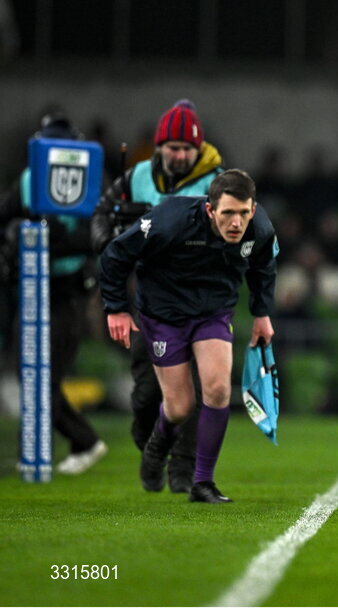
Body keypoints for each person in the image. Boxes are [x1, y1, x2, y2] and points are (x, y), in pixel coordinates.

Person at [98, 169, 277, 503]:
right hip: (163, 316)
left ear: (252, 209)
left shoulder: (261, 229)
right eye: (227, 213)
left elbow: (264, 267)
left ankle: (203, 482)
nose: (236, 222)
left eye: (243, 213)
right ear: (210, 210)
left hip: (213, 312)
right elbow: (115, 254)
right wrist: (116, 308)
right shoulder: (170, 219)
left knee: (219, 388)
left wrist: (261, 313)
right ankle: (155, 451)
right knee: (180, 407)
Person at [91, 99, 224, 492]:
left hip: (201, 299)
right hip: (151, 301)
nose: (180, 155)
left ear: (198, 149)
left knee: (196, 391)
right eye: (173, 148)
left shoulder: (215, 183)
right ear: (160, 147)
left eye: (187, 149)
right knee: (147, 395)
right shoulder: (136, 177)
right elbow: (102, 213)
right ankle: (151, 442)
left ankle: (183, 468)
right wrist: (110, 239)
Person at [0, 112, 108, 475]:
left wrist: (48, 236)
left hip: (68, 289)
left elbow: (96, 237)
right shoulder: (32, 180)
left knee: (45, 377)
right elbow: (5, 219)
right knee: (30, 372)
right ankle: (70, 444)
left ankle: (71, 444)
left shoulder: (87, 180)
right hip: (32, 284)